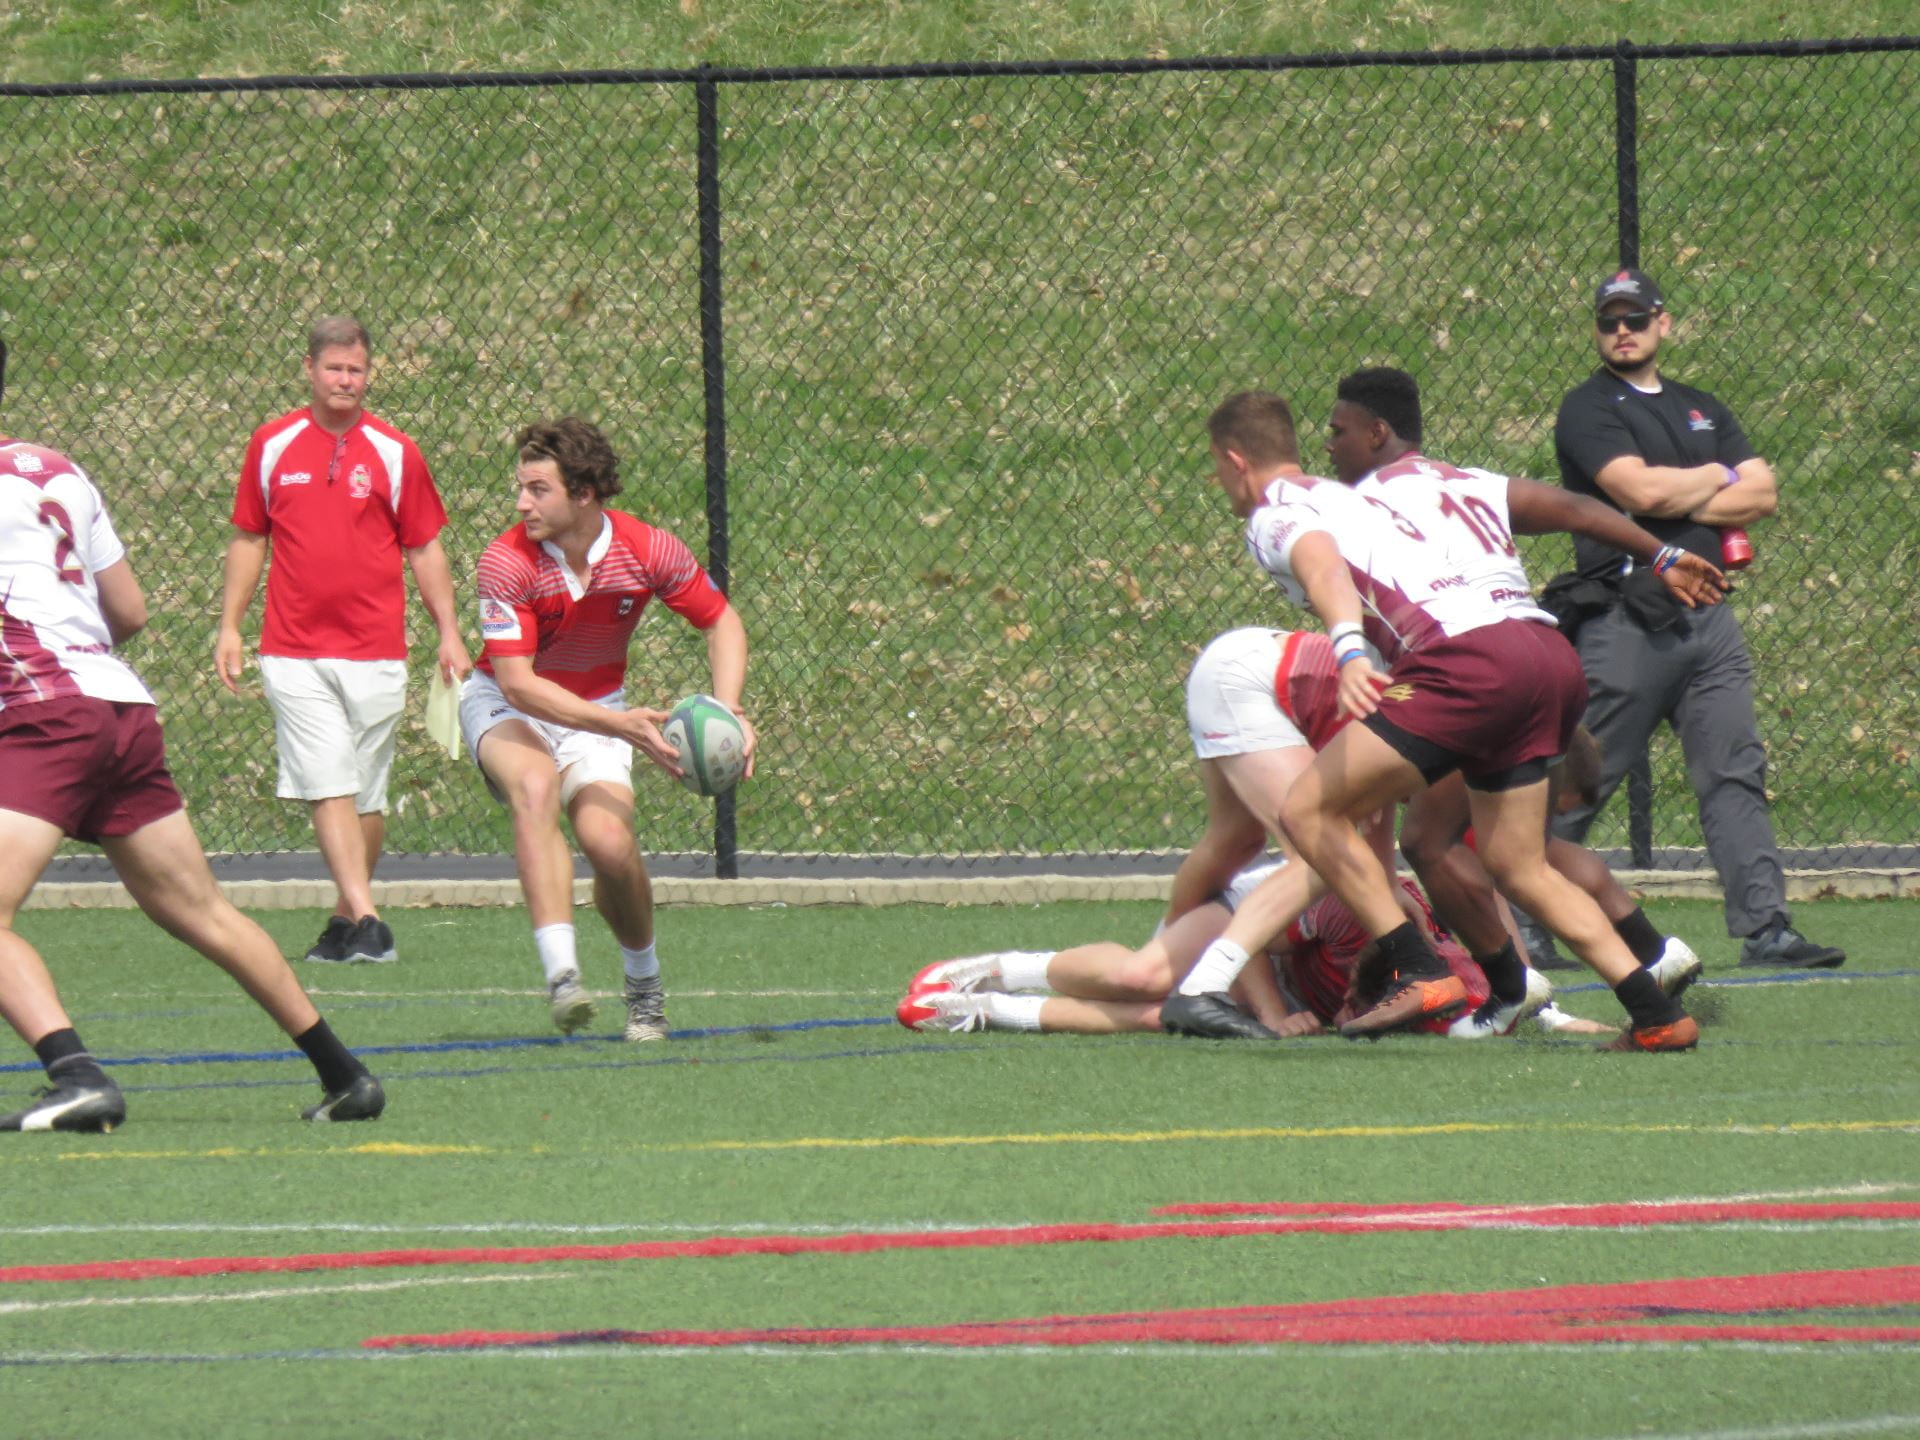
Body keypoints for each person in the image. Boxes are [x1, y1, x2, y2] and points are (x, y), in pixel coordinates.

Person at [1164, 378, 1728, 1051]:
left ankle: (1418, 968)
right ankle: (1655, 1012)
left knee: (1308, 811)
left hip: (1465, 665)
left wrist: (1347, 648)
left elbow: (1321, 565)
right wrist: (1658, 552)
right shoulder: (1383, 491)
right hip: (1544, 652)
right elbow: (1565, 504)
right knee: (1518, 866)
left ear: (1234, 462)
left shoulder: (1277, 508)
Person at [1, 387, 384, 1131]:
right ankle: (345, 1076)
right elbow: (131, 611)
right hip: (118, 703)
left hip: (45, 709)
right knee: (201, 910)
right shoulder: (59, 470)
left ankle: (75, 1076)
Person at [1544, 268, 1843, 971]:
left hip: (1708, 622)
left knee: (1733, 769)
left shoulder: (1701, 406)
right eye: (1610, 320)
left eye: (1636, 319)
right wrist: (1716, 477)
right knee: (1583, 779)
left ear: (1663, 324)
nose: (1623, 331)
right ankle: (1528, 918)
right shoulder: (1588, 407)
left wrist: (1679, 495)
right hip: (1626, 618)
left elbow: (1762, 493)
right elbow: (1634, 489)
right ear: (1597, 330)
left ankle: (1767, 928)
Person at [461, 418, 753, 1041]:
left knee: (610, 845)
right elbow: (516, 683)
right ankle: (563, 977)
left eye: (538, 489)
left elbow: (721, 622)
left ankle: (644, 991)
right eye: (521, 487)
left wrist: (729, 714)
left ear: (584, 494)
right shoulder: (505, 562)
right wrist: (620, 725)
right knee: (537, 784)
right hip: (505, 704)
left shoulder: (648, 549)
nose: (521, 503)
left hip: (595, 705)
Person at [215, 315, 470, 968]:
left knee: (366, 792)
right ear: (309, 370)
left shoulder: (395, 451)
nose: (345, 381)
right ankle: (371, 917)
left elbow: (424, 545)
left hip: (376, 651)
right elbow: (249, 538)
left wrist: (449, 631)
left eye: (356, 370)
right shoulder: (272, 445)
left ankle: (341, 921)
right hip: (292, 651)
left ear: (369, 373)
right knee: (329, 780)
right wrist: (230, 625)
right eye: (334, 369)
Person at [896, 857, 1536, 1038]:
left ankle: (982, 1013)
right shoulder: (1348, 908)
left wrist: (1547, 1008)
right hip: (1239, 922)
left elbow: (1510, 994)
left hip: (1293, 974)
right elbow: (1250, 941)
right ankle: (996, 971)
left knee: (1162, 1019)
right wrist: (1270, 1015)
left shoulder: (1455, 987)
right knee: (1145, 978)